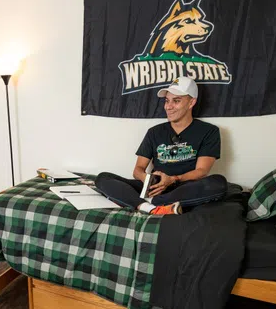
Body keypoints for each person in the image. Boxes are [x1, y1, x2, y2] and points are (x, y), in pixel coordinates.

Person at [95, 77, 228, 215]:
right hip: (155, 186)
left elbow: (201, 171)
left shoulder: (209, 131)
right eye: (167, 100)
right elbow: (137, 170)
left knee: (219, 183)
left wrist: (172, 179)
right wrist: (150, 180)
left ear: (191, 102)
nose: (168, 106)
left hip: (184, 187)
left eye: (176, 101)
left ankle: (155, 202)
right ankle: (149, 208)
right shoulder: (154, 132)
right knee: (103, 178)